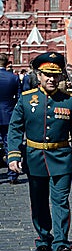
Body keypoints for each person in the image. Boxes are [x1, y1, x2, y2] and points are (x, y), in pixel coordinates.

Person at [8, 52, 72, 251]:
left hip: (61, 157)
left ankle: (61, 243)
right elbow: (15, 128)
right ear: (38, 76)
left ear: (60, 77)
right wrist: (13, 155)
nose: (51, 79)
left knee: (60, 201)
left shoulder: (68, 101)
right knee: (39, 202)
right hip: (35, 157)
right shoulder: (26, 99)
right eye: (46, 75)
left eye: (55, 75)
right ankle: (43, 238)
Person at [0, 53, 21, 184]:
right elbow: (19, 98)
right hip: (8, 114)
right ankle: (12, 174)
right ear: (7, 63)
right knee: (9, 144)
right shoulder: (13, 78)